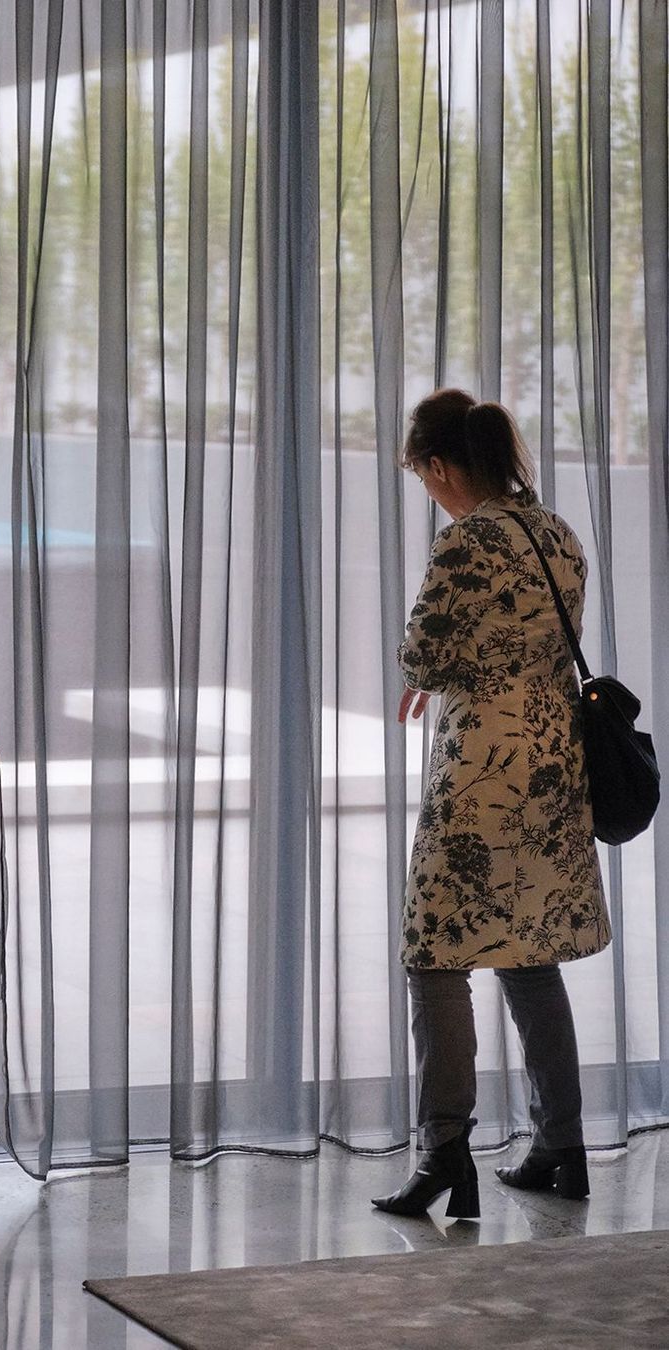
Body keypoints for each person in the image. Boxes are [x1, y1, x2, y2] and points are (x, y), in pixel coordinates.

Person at [372, 388, 610, 1220]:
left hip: (482, 766)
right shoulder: (559, 534)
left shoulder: (465, 542)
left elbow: (423, 651)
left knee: (434, 959)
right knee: (529, 951)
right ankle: (562, 1144)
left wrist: (424, 670)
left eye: (422, 476)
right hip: (552, 760)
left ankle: (444, 1155)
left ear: (440, 467)